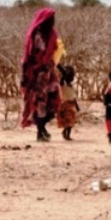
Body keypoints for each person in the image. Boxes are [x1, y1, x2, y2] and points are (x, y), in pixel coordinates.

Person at [21, 8, 61, 141]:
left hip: (49, 72)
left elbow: (54, 54)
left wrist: (59, 67)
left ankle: (42, 127)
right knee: (39, 102)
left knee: (54, 99)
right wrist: (24, 75)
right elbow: (29, 57)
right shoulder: (36, 36)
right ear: (44, 21)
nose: (53, 22)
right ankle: (40, 131)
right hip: (37, 74)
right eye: (51, 20)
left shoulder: (52, 34)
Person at [56, 64, 79, 140]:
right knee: (68, 121)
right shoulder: (63, 85)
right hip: (65, 105)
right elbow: (61, 80)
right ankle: (66, 134)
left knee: (71, 122)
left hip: (71, 105)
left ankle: (66, 134)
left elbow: (73, 97)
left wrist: (77, 106)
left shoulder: (70, 86)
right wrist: (63, 73)